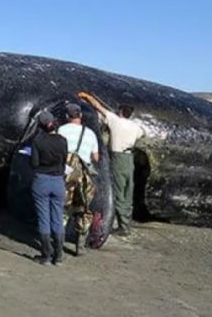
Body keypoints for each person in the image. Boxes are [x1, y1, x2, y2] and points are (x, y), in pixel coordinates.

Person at [78, 92, 145, 236]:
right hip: (129, 159)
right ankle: (125, 221)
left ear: (120, 111)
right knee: (127, 190)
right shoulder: (135, 127)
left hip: (118, 158)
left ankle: (123, 227)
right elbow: (142, 133)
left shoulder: (115, 120)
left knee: (119, 189)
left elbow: (98, 106)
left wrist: (86, 96)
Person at [58, 103, 100, 255]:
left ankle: (58, 245)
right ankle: (80, 246)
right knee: (83, 209)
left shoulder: (61, 130)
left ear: (67, 116)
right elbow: (96, 157)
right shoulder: (90, 133)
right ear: (80, 116)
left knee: (63, 208)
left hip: (66, 176)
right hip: (84, 177)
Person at [29, 111, 68, 265]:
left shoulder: (37, 141)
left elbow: (34, 163)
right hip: (58, 180)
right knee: (58, 218)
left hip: (41, 180)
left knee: (43, 218)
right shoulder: (62, 141)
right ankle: (58, 256)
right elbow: (64, 160)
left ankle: (45, 255)